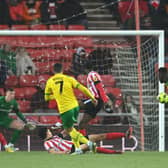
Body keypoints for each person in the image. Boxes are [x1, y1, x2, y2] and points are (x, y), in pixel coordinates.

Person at [44, 63, 98, 154]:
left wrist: (57, 96)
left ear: (53, 71)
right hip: (75, 106)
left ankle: (89, 143)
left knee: (69, 130)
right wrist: (92, 98)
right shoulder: (69, 79)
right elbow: (83, 88)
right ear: (62, 70)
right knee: (71, 128)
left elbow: (46, 98)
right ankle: (77, 149)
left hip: (65, 109)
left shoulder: (50, 81)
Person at [38, 123, 133, 155]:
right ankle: (114, 153)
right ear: (45, 133)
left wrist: (63, 124)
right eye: (48, 130)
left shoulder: (55, 137)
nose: (50, 131)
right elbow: (51, 152)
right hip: (72, 149)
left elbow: (66, 131)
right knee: (89, 145)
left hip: (74, 143)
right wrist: (64, 153)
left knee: (98, 136)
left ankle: (125, 135)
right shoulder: (47, 143)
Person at [78, 61, 113, 135]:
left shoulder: (93, 74)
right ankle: (84, 141)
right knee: (82, 124)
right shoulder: (93, 75)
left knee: (74, 106)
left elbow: (99, 87)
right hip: (95, 101)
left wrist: (105, 100)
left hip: (94, 100)